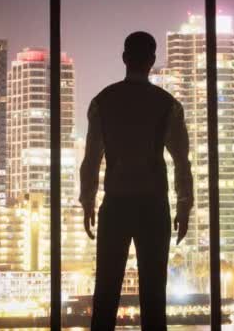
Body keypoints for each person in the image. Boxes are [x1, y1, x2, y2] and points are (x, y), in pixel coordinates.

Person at [79, 31, 194, 331]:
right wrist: (184, 205)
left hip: (115, 204)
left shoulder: (102, 102)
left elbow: (91, 160)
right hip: (154, 205)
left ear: (124, 58)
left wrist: (87, 201)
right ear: (152, 61)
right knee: (154, 296)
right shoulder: (168, 105)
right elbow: (182, 161)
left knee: (105, 293)